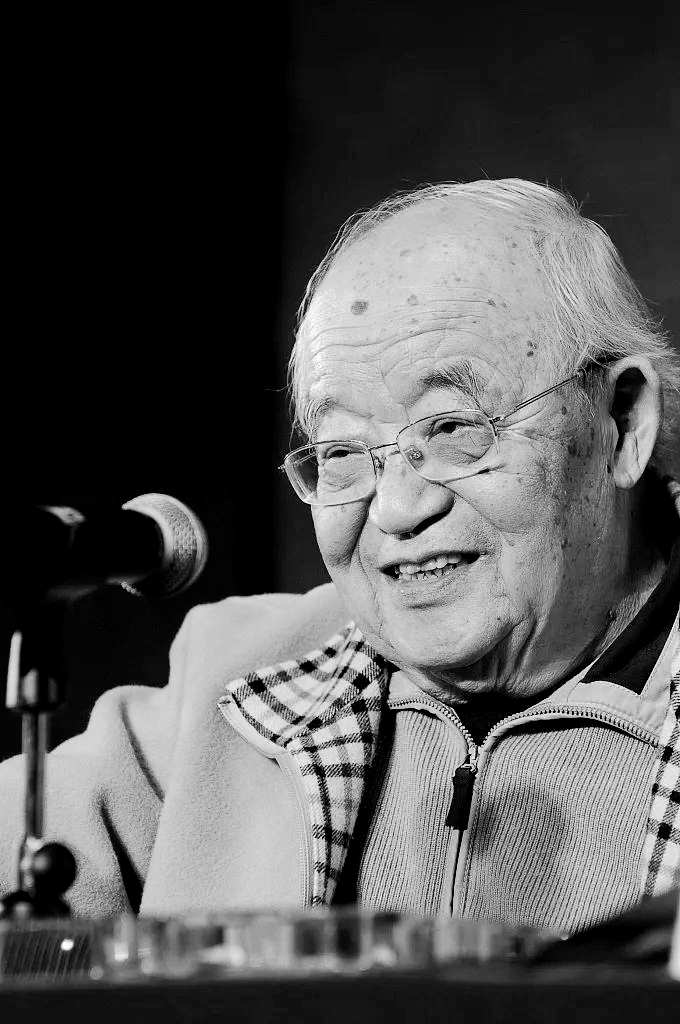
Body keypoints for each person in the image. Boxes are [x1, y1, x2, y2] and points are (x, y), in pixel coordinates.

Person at [1, 179, 678, 933]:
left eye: (453, 427)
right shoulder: (235, 687)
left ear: (622, 423)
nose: (395, 509)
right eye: (341, 452)